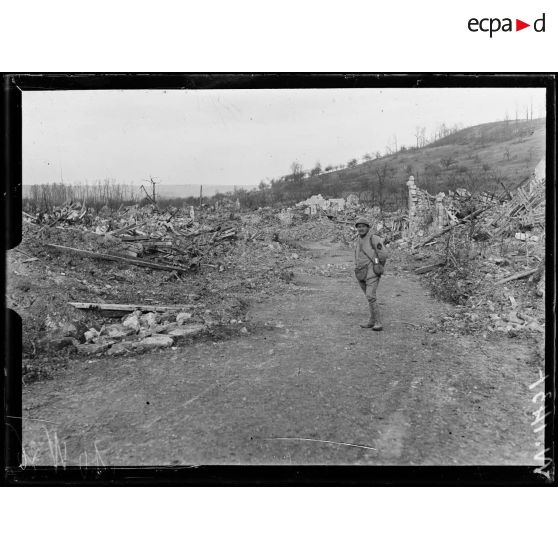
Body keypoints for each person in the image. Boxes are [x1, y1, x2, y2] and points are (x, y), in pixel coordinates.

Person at [353, 216, 387, 330]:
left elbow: (383, 254)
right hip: (361, 272)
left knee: (370, 296)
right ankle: (372, 321)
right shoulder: (358, 239)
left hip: (371, 271)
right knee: (369, 298)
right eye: (359, 227)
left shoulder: (374, 238)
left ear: (368, 227)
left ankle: (378, 322)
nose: (360, 229)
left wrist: (378, 266)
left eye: (363, 226)